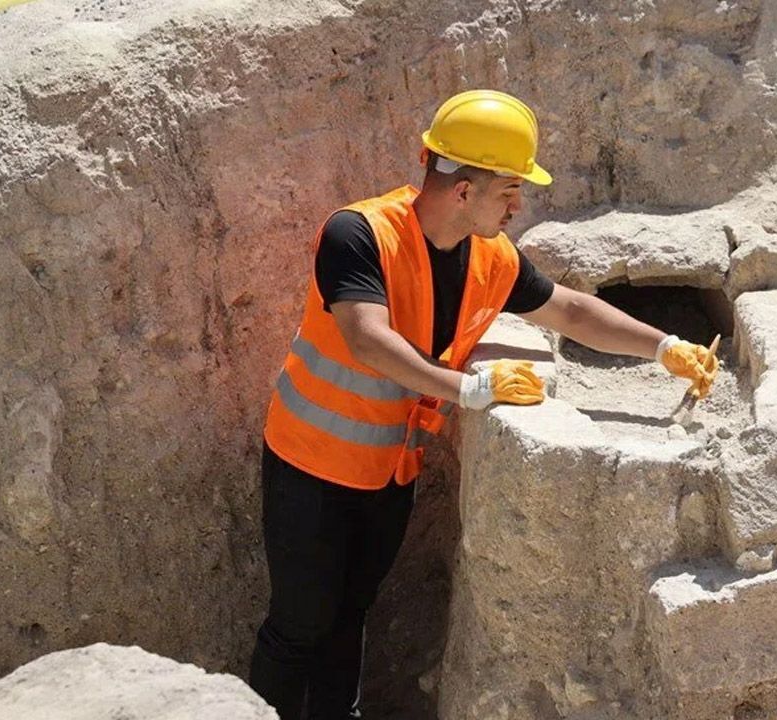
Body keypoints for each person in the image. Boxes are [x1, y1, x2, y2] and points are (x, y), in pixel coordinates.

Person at [247, 89, 718, 720]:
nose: (518, 205)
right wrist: (468, 388)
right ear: (463, 190)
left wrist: (663, 348)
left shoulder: (490, 258)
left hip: (388, 475)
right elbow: (366, 338)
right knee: (297, 625)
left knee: (350, 614)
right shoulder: (357, 234)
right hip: (310, 468)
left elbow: (571, 310)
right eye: (509, 190)